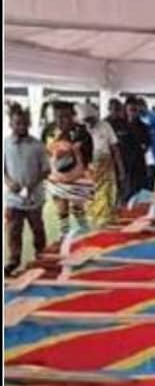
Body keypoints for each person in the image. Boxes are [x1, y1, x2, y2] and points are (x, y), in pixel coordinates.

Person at [4, 107, 50, 276]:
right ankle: (13, 261)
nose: (22, 126)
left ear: (29, 123)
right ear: (11, 124)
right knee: (13, 231)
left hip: (34, 197)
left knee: (37, 229)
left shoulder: (37, 145)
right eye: (18, 123)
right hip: (13, 199)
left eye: (25, 123)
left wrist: (33, 183)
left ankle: (42, 256)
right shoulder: (5, 144)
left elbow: (46, 170)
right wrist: (9, 182)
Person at [46, 101, 95, 237]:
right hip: (56, 177)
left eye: (64, 116)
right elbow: (45, 152)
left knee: (78, 208)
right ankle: (64, 234)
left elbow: (88, 156)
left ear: (73, 116)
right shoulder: (49, 131)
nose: (60, 120)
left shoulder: (82, 133)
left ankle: (85, 232)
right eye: (57, 116)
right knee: (62, 210)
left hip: (78, 177)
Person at [80, 102, 123, 227]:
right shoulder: (81, 130)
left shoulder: (105, 126)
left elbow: (115, 148)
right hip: (89, 168)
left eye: (91, 119)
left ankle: (106, 220)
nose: (89, 122)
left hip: (106, 165)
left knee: (107, 193)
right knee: (91, 195)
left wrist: (120, 168)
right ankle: (93, 222)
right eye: (86, 120)